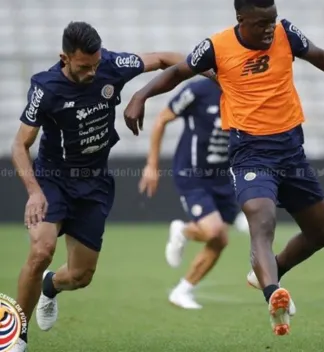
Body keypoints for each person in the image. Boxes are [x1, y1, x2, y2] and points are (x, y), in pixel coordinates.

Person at [124, 0, 324, 335]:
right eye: (262, 23)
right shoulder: (216, 46)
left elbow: (322, 57)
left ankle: (270, 272)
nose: (270, 28)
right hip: (250, 153)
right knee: (261, 220)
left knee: (321, 234)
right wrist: (140, 95)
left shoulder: (286, 32)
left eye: (273, 20)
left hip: (291, 150)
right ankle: (274, 294)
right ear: (241, 20)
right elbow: (177, 71)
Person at [10, 21, 193, 352]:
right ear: (64, 58)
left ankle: (51, 286)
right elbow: (19, 146)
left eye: (95, 64)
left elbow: (167, 59)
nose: (93, 72)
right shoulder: (46, 87)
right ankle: (16, 335)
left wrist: (209, 70)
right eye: (84, 67)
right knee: (41, 251)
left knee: (80, 277)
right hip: (53, 179)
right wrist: (34, 192)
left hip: (94, 184)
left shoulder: (111, 65)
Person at [138, 78, 247, 309]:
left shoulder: (248, 90)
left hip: (224, 178)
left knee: (220, 240)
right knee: (214, 230)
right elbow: (162, 119)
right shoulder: (198, 90)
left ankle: (183, 290)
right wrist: (152, 165)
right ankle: (185, 230)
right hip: (193, 174)